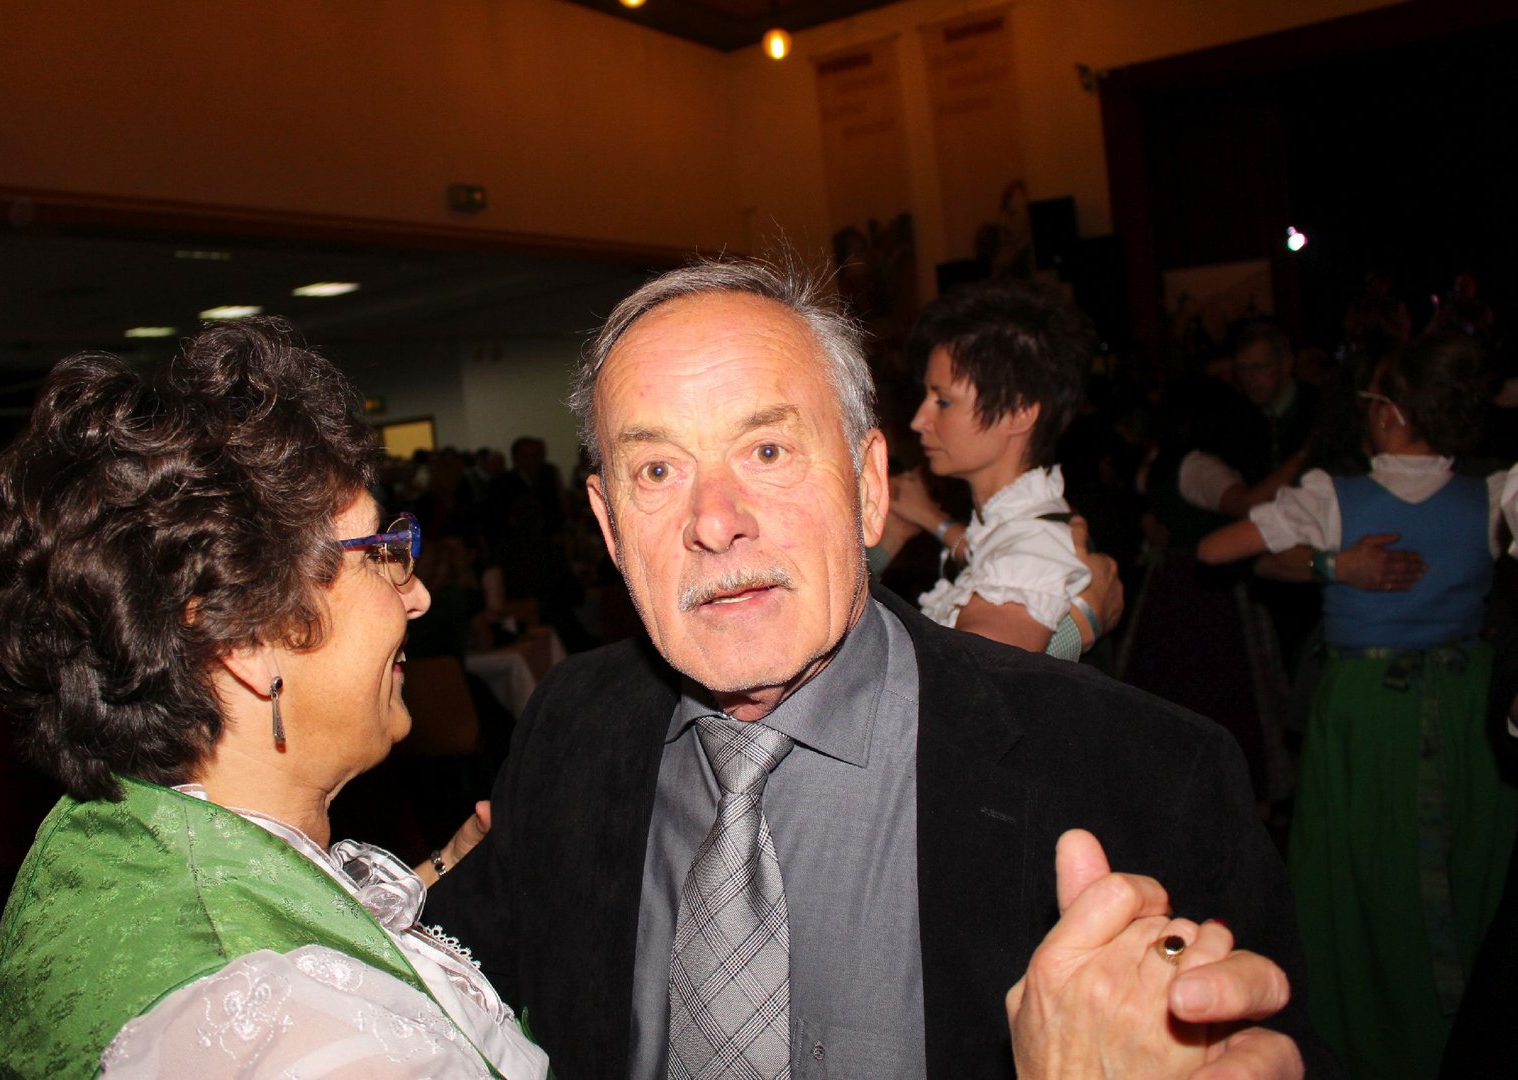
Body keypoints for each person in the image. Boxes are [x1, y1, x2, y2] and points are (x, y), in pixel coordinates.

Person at [427, 256, 1326, 1079]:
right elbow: (438, 1003)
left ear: (868, 487)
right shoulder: (570, 726)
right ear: (610, 526)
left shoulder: (1142, 777)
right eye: (657, 471)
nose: (715, 521)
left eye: (767, 451)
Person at [0, 319, 547, 1079]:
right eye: (380, 554)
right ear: (243, 638)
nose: (418, 594)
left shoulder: (108, 837)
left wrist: (438, 874)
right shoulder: (286, 1035)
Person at [1198, 332, 1517, 1079]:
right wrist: (1337, 564)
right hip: (1469, 707)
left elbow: (1216, 549)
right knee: (1465, 867)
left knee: (1366, 879)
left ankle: (1383, 1043)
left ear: (1390, 412)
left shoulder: (1334, 495)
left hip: (1370, 710)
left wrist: (1332, 561)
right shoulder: (1495, 493)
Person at [888, 280, 1102, 657]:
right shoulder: (1014, 525)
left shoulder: (1030, 554)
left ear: (1019, 413)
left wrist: (1082, 623)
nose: (919, 420)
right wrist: (931, 519)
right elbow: (983, 550)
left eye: (943, 401)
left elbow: (972, 688)